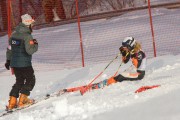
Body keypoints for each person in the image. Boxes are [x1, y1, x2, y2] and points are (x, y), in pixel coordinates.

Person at [4, 14, 38, 111]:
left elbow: (10, 49)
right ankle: (23, 101)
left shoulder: (13, 34)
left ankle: (12, 102)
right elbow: (29, 51)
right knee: (31, 80)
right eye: (32, 24)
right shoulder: (27, 36)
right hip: (25, 64)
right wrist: (35, 45)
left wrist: (8, 61)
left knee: (19, 81)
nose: (33, 26)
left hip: (15, 64)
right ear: (28, 24)